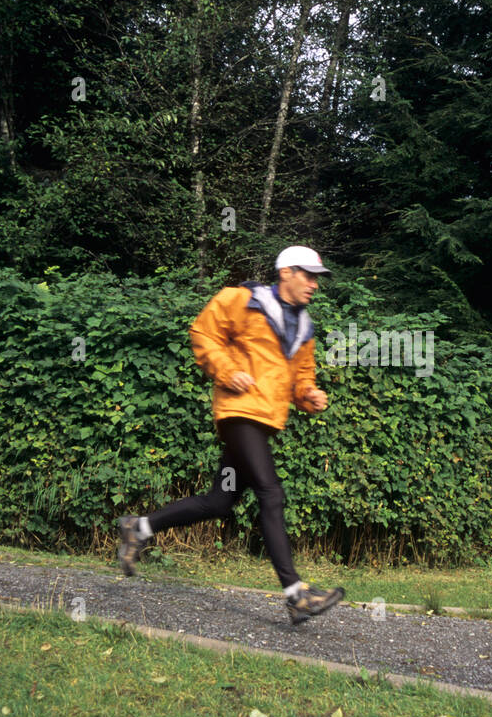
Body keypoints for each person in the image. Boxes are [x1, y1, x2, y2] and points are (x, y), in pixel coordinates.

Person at [116, 246, 345, 624]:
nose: (314, 284)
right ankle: (295, 594)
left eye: (317, 277)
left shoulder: (304, 328)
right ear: (285, 272)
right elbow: (204, 333)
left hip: (265, 420)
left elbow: (301, 378)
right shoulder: (242, 300)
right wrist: (225, 370)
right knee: (271, 493)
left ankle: (138, 527)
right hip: (239, 413)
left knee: (219, 502)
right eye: (308, 275)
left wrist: (309, 395)